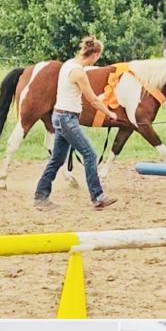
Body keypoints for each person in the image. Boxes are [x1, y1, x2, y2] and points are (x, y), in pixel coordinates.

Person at [34, 36, 118, 211]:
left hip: (60, 115)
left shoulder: (68, 64)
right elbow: (93, 100)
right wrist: (109, 112)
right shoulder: (79, 72)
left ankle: (41, 196)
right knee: (90, 154)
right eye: (98, 57)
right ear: (95, 54)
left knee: (57, 159)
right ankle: (98, 197)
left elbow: (79, 95)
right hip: (67, 118)